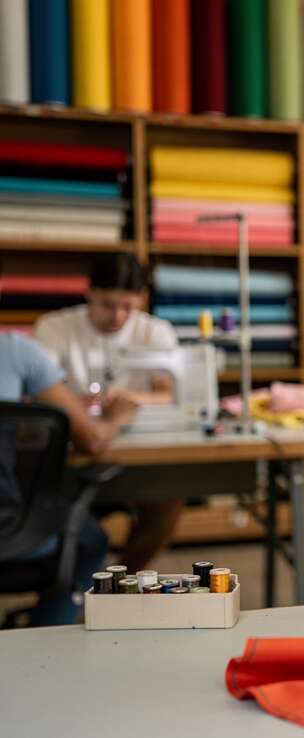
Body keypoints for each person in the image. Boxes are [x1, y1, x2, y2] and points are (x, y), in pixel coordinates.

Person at [33, 253, 182, 572]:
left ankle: (121, 581)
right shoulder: (54, 328)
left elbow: (169, 394)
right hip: (74, 454)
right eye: (107, 305)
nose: (117, 317)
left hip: (138, 451)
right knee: (68, 522)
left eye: (128, 306)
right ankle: (75, 585)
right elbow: (39, 395)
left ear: (142, 298)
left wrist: (125, 400)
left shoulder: (155, 332)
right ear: (90, 292)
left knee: (171, 498)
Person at [0, 332, 138, 626]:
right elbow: (92, 439)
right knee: (92, 540)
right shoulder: (15, 351)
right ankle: (47, 638)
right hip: (8, 530)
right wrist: (117, 418)